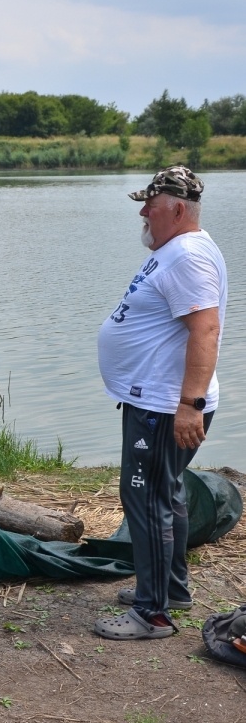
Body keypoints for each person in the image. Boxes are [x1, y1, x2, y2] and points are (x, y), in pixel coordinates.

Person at [95, 166, 227, 640]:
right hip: (156, 401)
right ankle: (170, 591)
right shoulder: (176, 250)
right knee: (164, 494)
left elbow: (205, 329)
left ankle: (151, 614)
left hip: (165, 405)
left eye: (150, 205)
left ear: (175, 208)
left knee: (146, 496)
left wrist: (190, 405)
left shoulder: (188, 256)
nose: (143, 213)